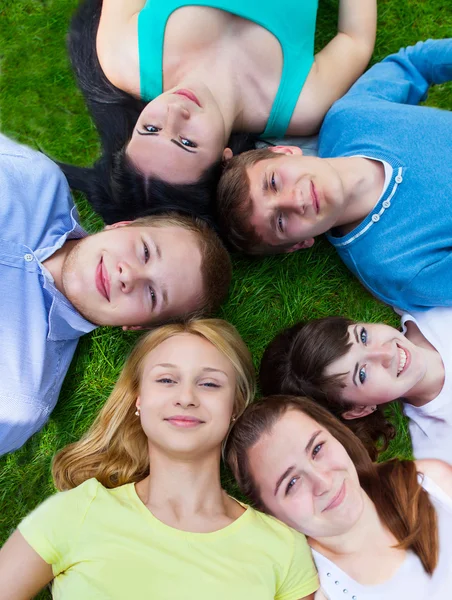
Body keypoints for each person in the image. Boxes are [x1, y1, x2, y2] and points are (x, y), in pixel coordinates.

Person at [0, 321, 319, 600]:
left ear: (234, 408)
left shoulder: (283, 548)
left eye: (209, 384)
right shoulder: (75, 512)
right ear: (139, 400)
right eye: (166, 380)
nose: (186, 397)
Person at [0, 134, 231, 456]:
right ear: (121, 226)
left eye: (152, 295)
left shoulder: (15, 397)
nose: (129, 275)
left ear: (136, 326)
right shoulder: (33, 177)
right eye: (145, 251)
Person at [60, 0, 376, 223]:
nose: (174, 112)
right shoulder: (301, 104)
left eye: (150, 129)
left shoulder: (125, 57)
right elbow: (354, 40)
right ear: (225, 159)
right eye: (186, 142)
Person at [217, 39, 452, 313]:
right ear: (300, 244)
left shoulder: (350, 119)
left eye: (273, 183)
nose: (294, 201)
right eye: (280, 221)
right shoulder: (397, 265)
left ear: (286, 151)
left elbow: (412, 63)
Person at [226, 395, 452, 599]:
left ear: (336, 436)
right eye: (292, 483)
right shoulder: (318, 593)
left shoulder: (431, 482)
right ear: (269, 513)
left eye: (317, 449)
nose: (323, 483)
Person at [259, 310, 451, 463]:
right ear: (359, 410)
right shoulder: (442, 442)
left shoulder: (423, 295)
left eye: (363, 336)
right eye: (362, 375)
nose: (387, 353)